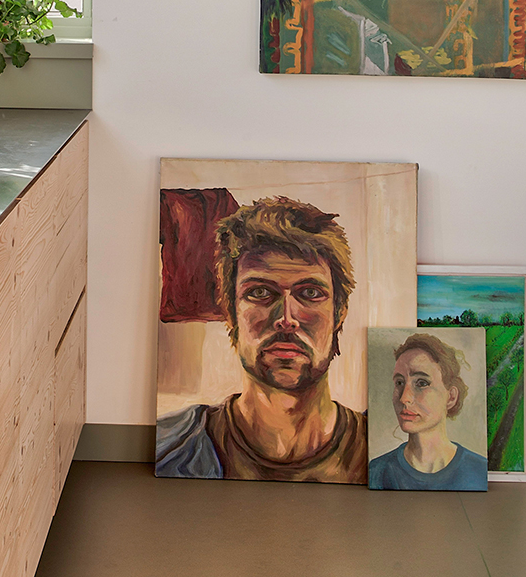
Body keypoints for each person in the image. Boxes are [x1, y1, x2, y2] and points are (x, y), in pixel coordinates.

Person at [155, 196, 368, 482]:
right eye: (260, 293)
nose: (287, 319)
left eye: (310, 294)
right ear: (231, 312)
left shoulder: (388, 453)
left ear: (339, 312)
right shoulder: (168, 448)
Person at [367, 332, 488, 490]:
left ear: (451, 397)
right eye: (399, 382)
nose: (405, 398)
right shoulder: (377, 471)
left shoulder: (478, 470)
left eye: (422, 383)